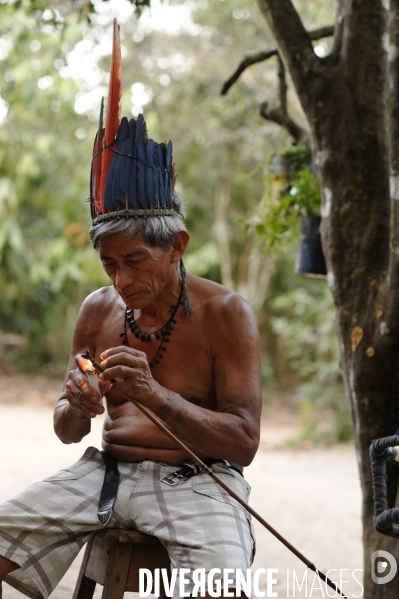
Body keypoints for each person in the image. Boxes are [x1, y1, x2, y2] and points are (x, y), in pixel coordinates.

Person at [0, 21, 261, 599]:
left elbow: (243, 443)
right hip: (103, 474)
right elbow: (68, 431)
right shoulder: (98, 310)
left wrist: (153, 395)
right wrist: (76, 403)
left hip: (202, 483)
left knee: (222, 588)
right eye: (108, 265)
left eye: (135, 261)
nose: (122, 281)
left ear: (178, 246)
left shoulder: (227, 314)